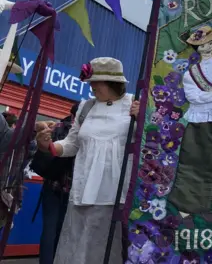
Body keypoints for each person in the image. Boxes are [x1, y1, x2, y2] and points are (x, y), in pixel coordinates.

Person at [36, 57, 139, 264]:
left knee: (111, 249)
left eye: (95, 81)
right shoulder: (85, 107)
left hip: (117, 194)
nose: (91, 86)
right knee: (77, 247)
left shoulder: (134, 104)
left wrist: (144, 118)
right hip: (83, 192)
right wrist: (47, 146)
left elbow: (150, 144)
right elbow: (72, 144)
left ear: (112, 82)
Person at [168, 25, 212, 216]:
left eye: (208, 42)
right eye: (200, 44)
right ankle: (188, 204)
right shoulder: (191, 73)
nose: (205, 46)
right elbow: (193, 96)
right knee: (193, 159)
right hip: (198, 119)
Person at [32, 103, 79, 264]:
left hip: (53, 188)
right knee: (60, 233)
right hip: (68, 190)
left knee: (50, 231)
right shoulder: (74, 131)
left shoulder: (57, 127)